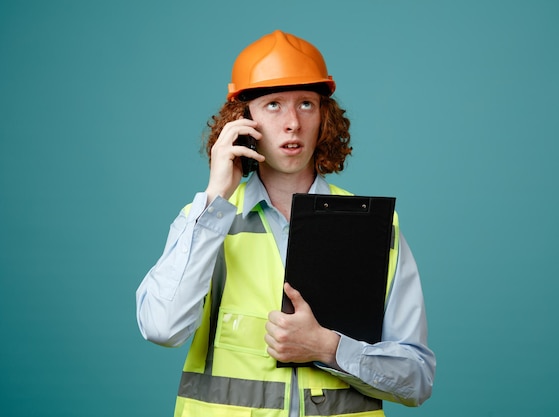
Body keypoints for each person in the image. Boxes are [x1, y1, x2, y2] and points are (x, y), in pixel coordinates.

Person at [136, 29, 436, 417]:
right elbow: (161, 327)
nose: (292, 122)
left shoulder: (374, 227)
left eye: (306, 104)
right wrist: (214, 199)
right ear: (243, 120)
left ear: (324, 117)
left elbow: (417, 379)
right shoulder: (207, 219)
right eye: (274, 104)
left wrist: (328, 348)